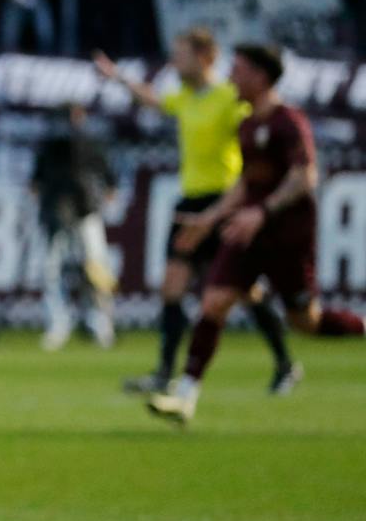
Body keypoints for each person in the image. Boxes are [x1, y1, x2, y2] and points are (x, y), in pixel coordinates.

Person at [149, 45, 364, 425]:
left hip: (287, 236)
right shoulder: (247, 125)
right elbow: (245, 184)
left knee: (306, 322)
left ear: (260, 77)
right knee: (214, 302)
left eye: (239, 69)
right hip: (246, 233)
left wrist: (263, 212)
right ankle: (184, 397)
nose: (231, 75)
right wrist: (210, 218)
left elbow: (305, 176)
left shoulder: (288, 122)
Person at [94, 32, 299, 394]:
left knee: (243, 291)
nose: (175, 62)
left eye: (182, 55)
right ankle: (164, 372)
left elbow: (259, 132)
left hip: (223, 202)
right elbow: (154, 101)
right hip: (190, 204)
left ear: (205, 57)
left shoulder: (229, 97)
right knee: (171, 287)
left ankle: (284, 362)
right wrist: (119, 78)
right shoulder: (186, 97)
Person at [30, 104, 117, 351]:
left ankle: (100, 322)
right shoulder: (49, 145)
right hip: (55, 212)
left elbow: (108, 180)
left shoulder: (89, 143)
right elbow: (36, 181)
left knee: (95, 266)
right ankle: (58, 322)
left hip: (85, 210)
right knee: (50, 268)